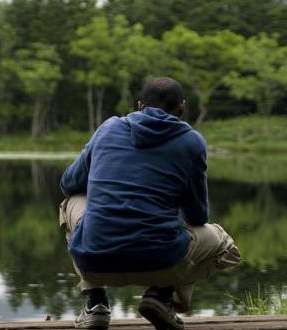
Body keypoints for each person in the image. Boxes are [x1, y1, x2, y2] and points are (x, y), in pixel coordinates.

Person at [59, 76, 241, 330]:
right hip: (162, 263)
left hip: (95, 263)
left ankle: (95, 303)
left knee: (71, 201)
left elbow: (68, 184)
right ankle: (161, 296)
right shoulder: (192, 142)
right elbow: (197, 216)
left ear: (139, 106)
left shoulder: (109, 128)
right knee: (224, 245)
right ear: (182, 107)